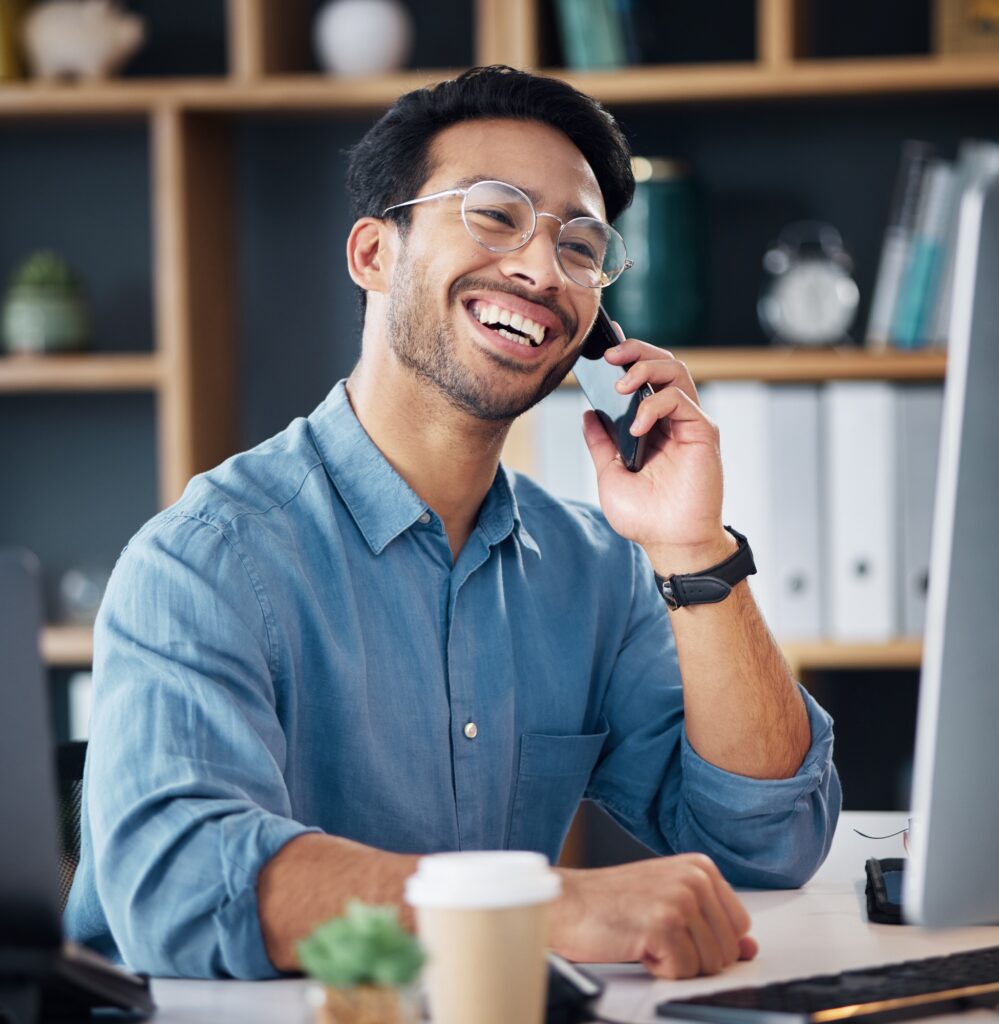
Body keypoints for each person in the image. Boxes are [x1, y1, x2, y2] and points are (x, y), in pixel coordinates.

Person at [65, 65, 840, 983]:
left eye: (583, 246)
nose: (543, 270)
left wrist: (690, 546)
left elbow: (770, 841)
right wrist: (542, 905)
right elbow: (180, 884)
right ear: (373, 255)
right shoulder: (202, 563)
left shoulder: (593, 571)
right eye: (496, 215)